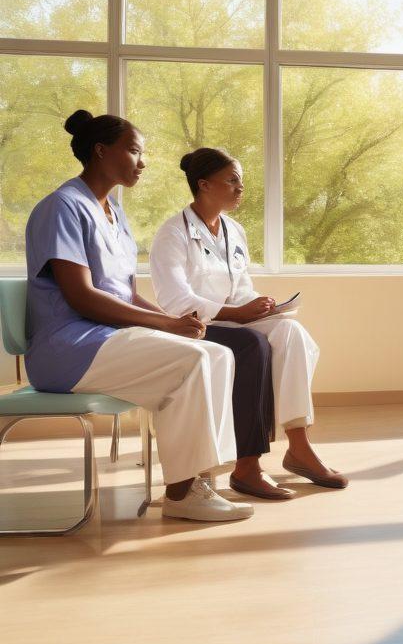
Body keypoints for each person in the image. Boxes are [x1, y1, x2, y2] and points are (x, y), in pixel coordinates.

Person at [25, 110, 252, 522]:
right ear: (100, 151)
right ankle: (181, 494)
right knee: (193, 361)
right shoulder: (62, 207)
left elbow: (126, 294)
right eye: (134, 150)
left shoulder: (114, 211)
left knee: (217, 353)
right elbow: (82, 296)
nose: (142, 162)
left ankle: (198, 480)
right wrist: (167, 324)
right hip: (68, 347)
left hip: (108, 339)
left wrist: (175, 323)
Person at [149, 147, 346, 500]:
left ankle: (299, 447)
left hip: (232, 319)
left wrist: (260, 306)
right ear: (204, 184)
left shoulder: (234, 230)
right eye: (232, 181)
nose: (240, 188)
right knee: (253, 346)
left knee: (290, 333)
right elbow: (175, 301)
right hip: (195, 326)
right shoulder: (172, 234)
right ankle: (247, 466)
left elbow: (239, 289)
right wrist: (234, 313)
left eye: (240, 181)